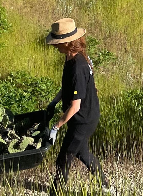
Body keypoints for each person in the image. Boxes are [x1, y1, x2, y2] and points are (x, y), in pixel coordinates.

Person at [44, 19, 108, 192]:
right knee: (82, 153)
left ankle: (56, 192)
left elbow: (75, 106)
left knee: (64, 157)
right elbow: (68, 88)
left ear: (66, 43)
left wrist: (56, 127)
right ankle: (105, 186)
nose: (55, 47)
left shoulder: (78, 67)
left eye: (57, 44)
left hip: (83, 120)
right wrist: (55, 101)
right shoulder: (71, 58)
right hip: (83, 116)